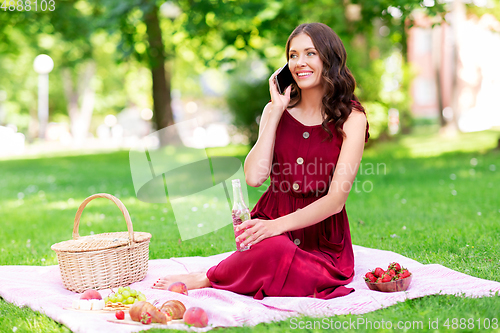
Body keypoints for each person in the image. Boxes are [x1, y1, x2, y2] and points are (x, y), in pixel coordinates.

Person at [154, 22, 369, 299]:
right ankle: (233, 270)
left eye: (310, 53)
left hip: (320, 238)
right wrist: (276, 111)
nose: (299, 63)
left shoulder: (352, 118)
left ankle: (209, 277)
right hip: (268, 220)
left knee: (276, 251)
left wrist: (275, 227)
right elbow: (254, 177)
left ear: (330, 58)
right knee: (271, 248)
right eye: (292, 55)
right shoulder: (275, 110)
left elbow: (335, 201)